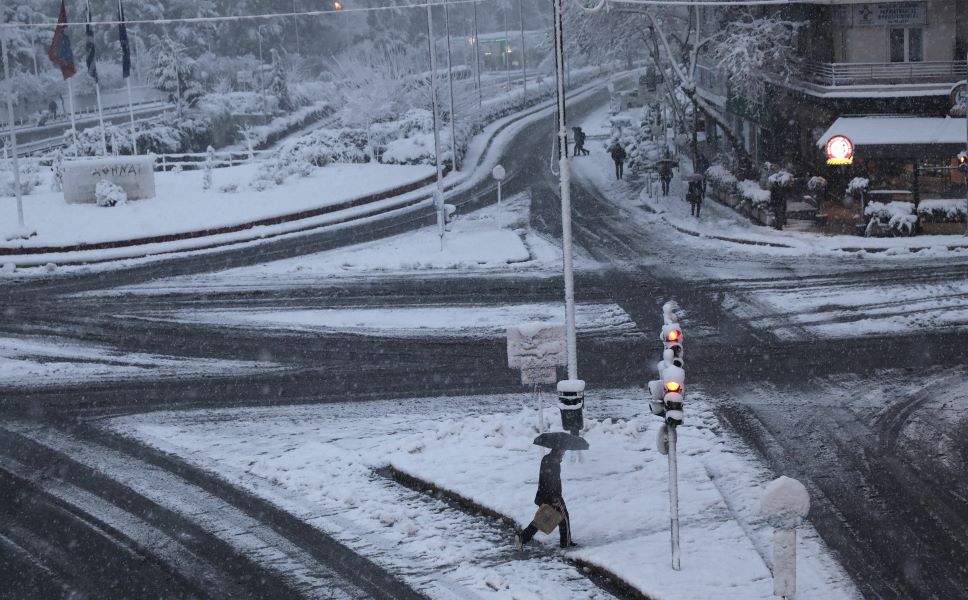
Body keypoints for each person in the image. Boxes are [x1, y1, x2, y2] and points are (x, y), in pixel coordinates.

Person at [515, 448, 575, 549]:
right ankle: (566, 543)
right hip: (553, 495)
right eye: (563, 451)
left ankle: (522, 537)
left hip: (544, 494)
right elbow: (552, 481)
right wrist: (554, 498)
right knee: (564, 517)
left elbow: (545, 478)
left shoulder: (547, 458)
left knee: (543, 519)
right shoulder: (554, 462)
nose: (564, 453)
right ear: (558, 450)